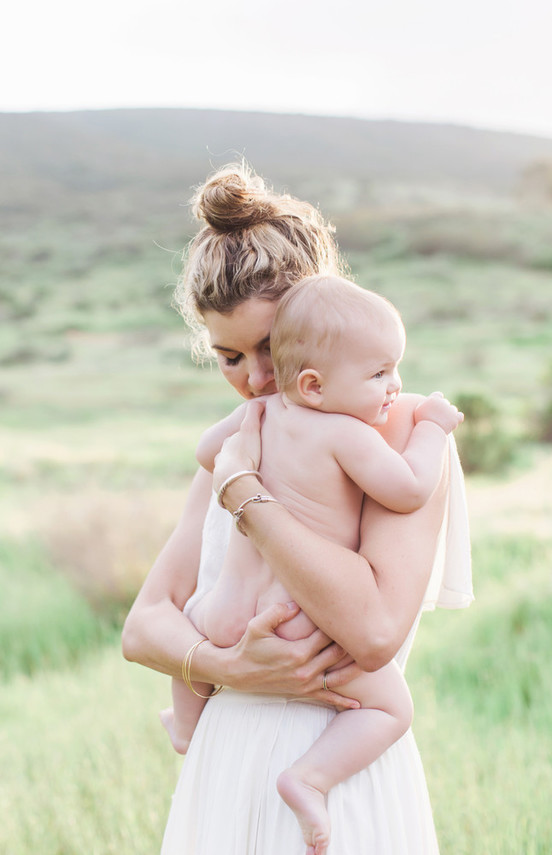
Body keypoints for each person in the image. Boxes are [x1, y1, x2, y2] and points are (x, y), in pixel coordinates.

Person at [122, 162, 473, 855]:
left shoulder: (398, 431)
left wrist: (248, 498)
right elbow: (143, 625)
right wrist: (230, 668)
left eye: (267, 348)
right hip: (223, 767)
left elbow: (373, 631)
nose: (253, 379)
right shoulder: (242, 439)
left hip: (340, 770)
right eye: (227, 356)